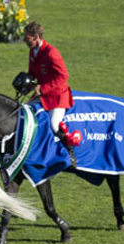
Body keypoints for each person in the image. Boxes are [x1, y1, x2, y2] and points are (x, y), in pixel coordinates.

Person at [23, 22, 81, 166]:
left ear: (36, 37)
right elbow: (32, 73)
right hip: (43, 95)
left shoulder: (51, 53)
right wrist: (26, 82)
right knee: (24, 112)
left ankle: (70, 153)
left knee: (54, 125)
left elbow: (63, 76)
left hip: (57, 96)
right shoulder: (33, 51)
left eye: (27, 38)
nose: (25, 41)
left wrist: (43, 88)